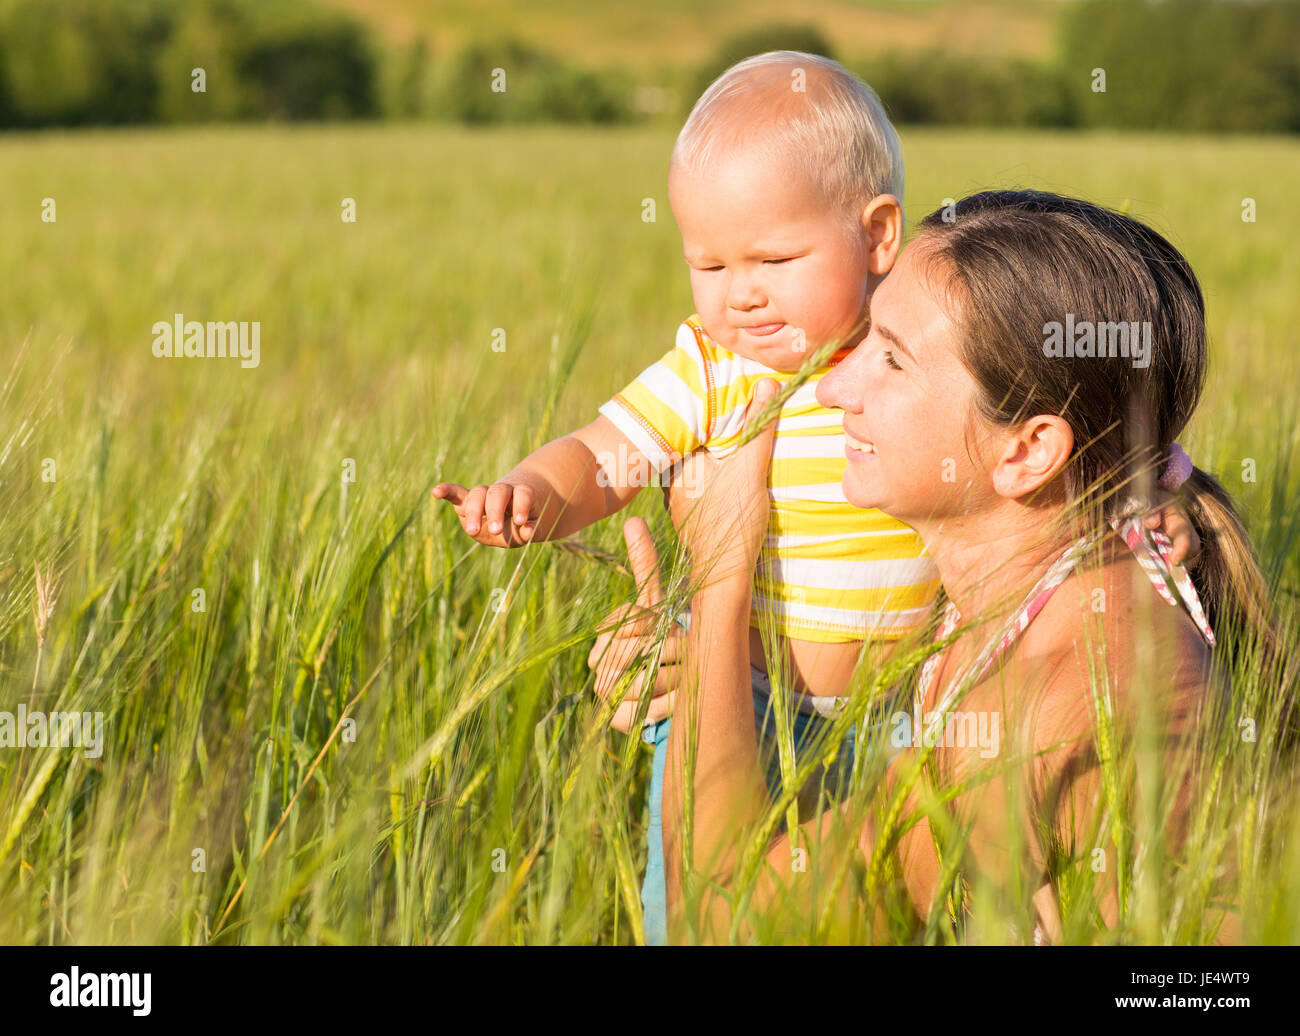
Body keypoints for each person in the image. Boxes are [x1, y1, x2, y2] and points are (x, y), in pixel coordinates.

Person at [614, 190, 1276, 943]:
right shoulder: (1058, 575)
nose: (831, 389)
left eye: (891, 359)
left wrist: (721, 577)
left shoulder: (1042, 712)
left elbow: (719, 918)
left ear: (1027, 452)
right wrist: (696, 658)